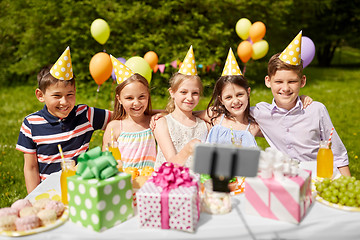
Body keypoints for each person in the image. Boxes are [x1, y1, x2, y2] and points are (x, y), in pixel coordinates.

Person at [250, 31, 351, 176]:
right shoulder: (260, 112)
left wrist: (347, 185)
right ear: (268, 81)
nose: (285, 88)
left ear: (302, 81)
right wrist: (204, 114)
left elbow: (338, 153)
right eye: (278, 81)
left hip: (319, 176)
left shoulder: (316, 110)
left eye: (292, 81)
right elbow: (229, 113)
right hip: (287, 178)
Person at [16, 47, 111, 193]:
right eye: (57, 96)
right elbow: (31, 167)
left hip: (83, 188)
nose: (64, 102)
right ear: (40, 95)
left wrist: (156, 114)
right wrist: (34, 198)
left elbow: (123, 116)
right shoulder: (31, 124)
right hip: (49, 192)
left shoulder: (85, 115)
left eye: (70, 94)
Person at [153, 46, 209, 170]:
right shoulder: (162, 123)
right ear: (172, 93)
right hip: (170, 183)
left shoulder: (204, 125)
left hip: (196, 184)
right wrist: (188, 149)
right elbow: (172, 164)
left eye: (195, 93)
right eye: (183, 92)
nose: (189, 98)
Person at [102, 56, 156, 171]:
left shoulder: (153, 122)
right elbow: (105, 161)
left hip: (149, 183)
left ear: (148, 96)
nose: (136, 103)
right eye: (129, 98)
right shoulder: (114, 127)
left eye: (142, 97)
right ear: (119, 99)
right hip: (123, 184)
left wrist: (155, 114)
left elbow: (174, 115)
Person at [197, 48, 259, 147]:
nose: (235, 101)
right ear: (221, 99)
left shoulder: (253, 127)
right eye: (228, 97)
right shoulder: (215, 115)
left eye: (239, 95)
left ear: (248, 92)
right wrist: (165, 112)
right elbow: (188, 114)